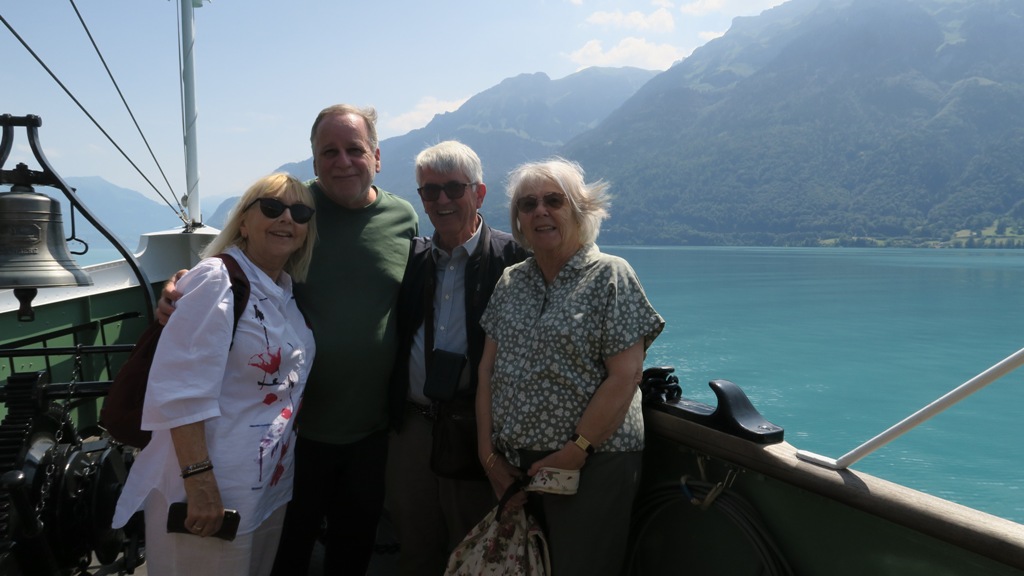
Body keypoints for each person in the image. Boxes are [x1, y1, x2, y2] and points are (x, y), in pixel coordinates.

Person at [160, 105, 418, 575]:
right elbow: (242, 260)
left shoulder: (403, 217)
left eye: (355, 149)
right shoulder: (296, 207)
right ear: (314, 160)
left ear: (377, 157)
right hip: (291, 432)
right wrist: (184, 285)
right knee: (285, 552)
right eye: (329, 151)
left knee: (353, 548)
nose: (343, 161)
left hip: (370, 429)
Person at [113, 172, 318, 576]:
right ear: (243, 222)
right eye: (272, 207)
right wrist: (199, 482)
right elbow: (179, 388)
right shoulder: (217, 280)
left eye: (300, 213)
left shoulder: (283, 291)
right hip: (210, 487)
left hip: (266, 485)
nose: (286, 219)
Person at [476, 158, 664, 576]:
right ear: (518, 220)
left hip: (592, 465)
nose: (540, 211)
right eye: (528, 204)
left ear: (579, 210)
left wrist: (576, 451)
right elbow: (487, 371)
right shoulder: (511, 281)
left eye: (554, 201)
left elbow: (626, 375)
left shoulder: (610, 275)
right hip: (516, 467)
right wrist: (488, 457)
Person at [386, 141, 529, 575]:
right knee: (415, 543)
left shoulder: (514, 259)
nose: (442, 200)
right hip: (413, 426)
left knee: (474, 548)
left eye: (453, 188)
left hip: (477, 429)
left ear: (479, 193)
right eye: (430, 191)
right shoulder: (412, 258)